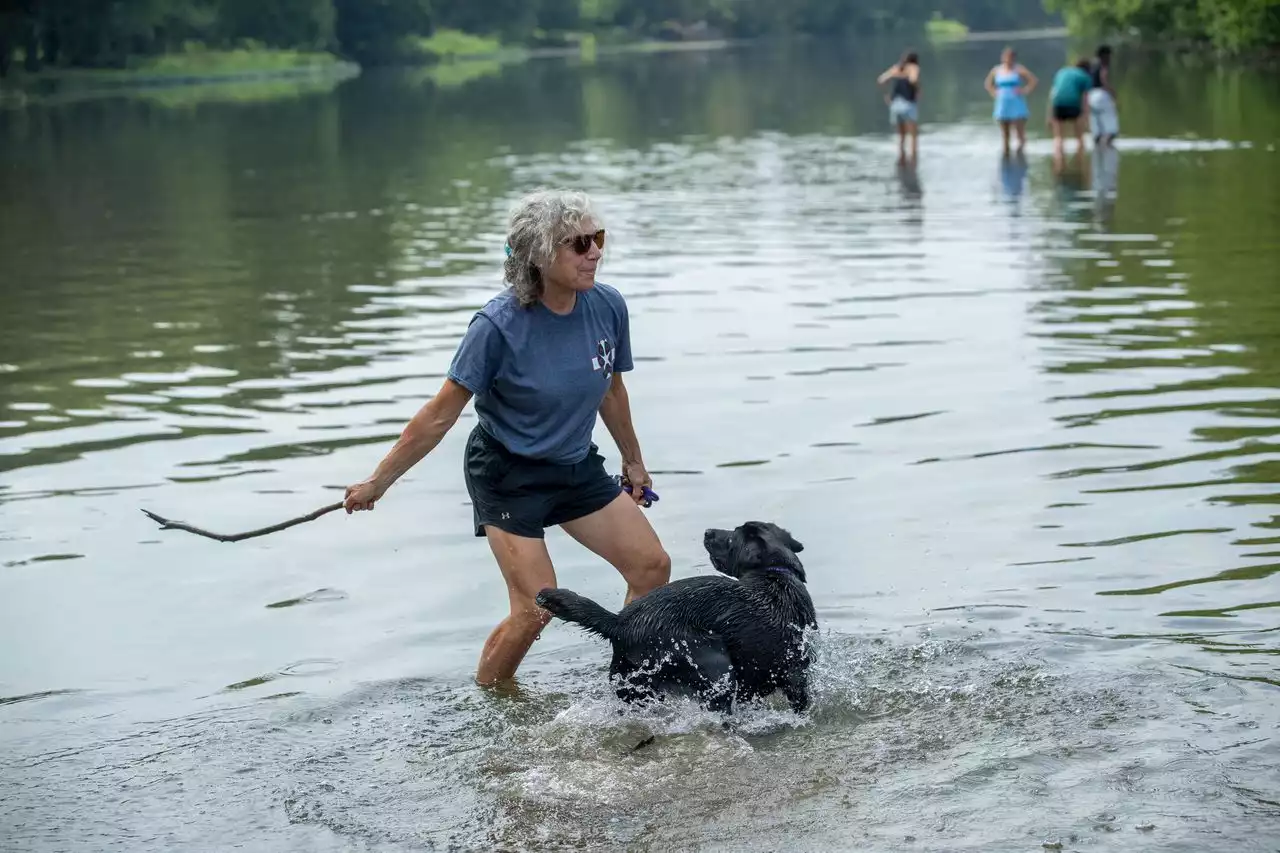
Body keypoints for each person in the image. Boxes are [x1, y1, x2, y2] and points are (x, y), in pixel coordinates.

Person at [343, 189, 672, 686]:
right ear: (541, 255)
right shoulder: (496, 326)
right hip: (507, 474)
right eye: (579, 243)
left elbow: (610, 389)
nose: (596, 252)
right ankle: (493, 702)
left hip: (574, 464)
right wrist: (377, 483)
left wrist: (633, 461)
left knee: (651, 567)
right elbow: (437, 416)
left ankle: (627, 687)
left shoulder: (606, 307)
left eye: (598, 239)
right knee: (537, 607)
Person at [984, 47, 1038, 155]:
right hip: (1003, 103)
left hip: (1016, 102)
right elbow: (988, 84)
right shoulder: (997, 70)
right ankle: (1006, 153)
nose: (1008, 59)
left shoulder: (1018, 69)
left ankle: (1020, 152)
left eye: (1010, 57)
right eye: (1006, 56)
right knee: (1005, 133)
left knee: (1020, 132)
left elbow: (1033, 80)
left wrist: (1025, 90)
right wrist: (994, 93)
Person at [877, 50, 921, 161]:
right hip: (908, 104)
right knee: (913, 138)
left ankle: (901, 160)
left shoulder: (896, 68)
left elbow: (881, 80)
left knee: (901, 138)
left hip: (895, 106)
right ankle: (913, 163)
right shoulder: (913, 67)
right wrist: (918, 90)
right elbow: (913, 79)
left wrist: (887, 96)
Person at [1048, 57, 1093, 160]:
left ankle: (1059, 162)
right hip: (1073, 103)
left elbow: (1052, 94)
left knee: (1058, 137)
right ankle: (1080, 162)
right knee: (1079, 137)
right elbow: (1085, 98)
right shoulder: (1085, 77)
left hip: (1058, 103)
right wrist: (1086, 116)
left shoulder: (1061, 72)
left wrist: (1050, 115)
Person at [1087, 44, 1120, 146]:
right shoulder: (1103, 64)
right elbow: (1103, 78)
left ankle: (1098, 151)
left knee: (1097, 129)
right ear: (1105, 55)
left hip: (1090, 96)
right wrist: (1113, 92)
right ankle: (1108, 150)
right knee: (1111, 129)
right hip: (1101, 95)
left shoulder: (1091, 65)